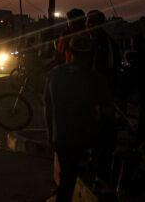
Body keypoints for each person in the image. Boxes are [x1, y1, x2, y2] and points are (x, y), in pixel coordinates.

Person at [43, 35, 114, 202]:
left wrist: (51, 134)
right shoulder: (96, 78)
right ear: (90, 54)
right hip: (86, 136)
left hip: (61, 136)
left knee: (67, 179)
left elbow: (47, 107)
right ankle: (101, 177)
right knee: (109, 136)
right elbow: (107, 112)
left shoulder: (54, 73)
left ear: (70, 52)